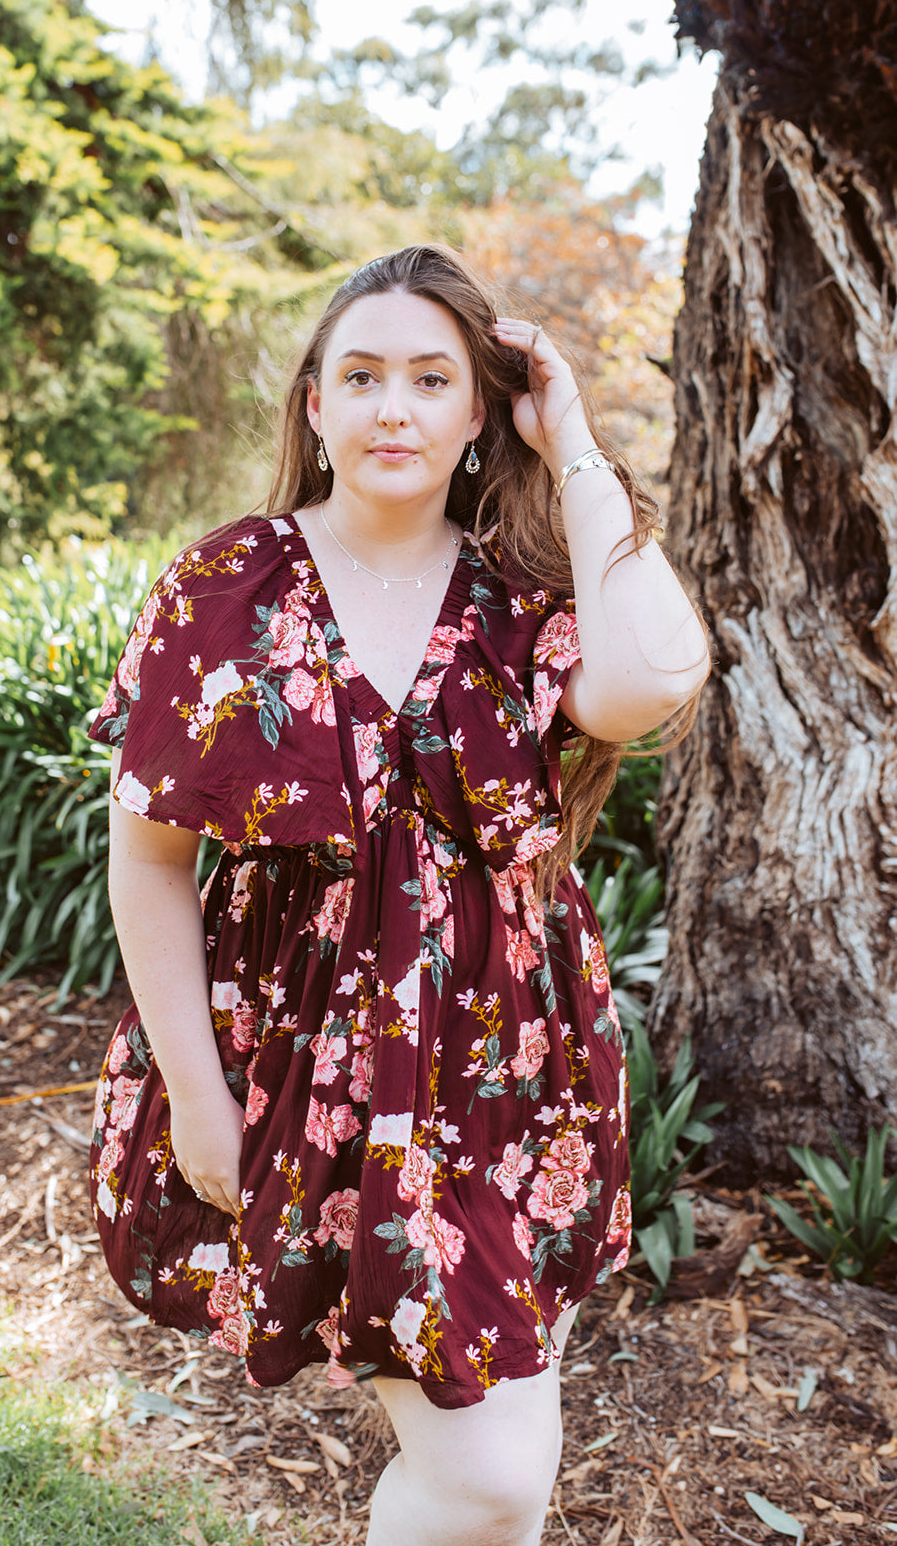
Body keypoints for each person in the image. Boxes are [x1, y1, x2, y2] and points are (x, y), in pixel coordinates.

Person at [87, 244, 710, 1546]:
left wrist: (576, 443)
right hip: (307, 1081)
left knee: (495, 1469)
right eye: (362, 375)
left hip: (511, 1075)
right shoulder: (223, 591)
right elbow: (148, 862)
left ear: (480, 411)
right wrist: (200, 1099)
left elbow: (656, 675)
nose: (394, 408)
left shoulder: (522, 594)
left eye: (434, 379)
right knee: (490, 1470)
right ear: (314, 403)